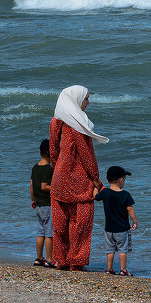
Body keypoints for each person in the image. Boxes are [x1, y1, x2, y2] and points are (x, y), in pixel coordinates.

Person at [48, 85, 107, 272]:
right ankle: (76, 261)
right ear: (76, 99)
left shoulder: (55, 121)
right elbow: (86, 154)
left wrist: (58, 168)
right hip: (79, 181)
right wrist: (96, 178)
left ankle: (62, 260)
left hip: (59, 178)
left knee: (59, 223)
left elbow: (53, 151)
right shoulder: (78, 124)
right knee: (80, 223)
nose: (88, 103)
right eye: (86, 98)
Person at [94, 165, 137, 276]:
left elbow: (95, 197)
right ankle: (123, 270)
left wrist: (96, 187)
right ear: (121, 180)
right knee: (122, 250)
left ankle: (109, 269)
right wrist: (135, 221)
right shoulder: (125, 195)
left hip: (109, 229)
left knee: (110, 250)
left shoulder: (105, 193)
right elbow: (130, 209)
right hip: (122, 229)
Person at [30, 138, 55, 267]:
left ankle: (39, 257)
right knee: (49, 234)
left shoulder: (35, 167)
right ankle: (49, 259)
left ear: (40, 152)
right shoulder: (48, 169)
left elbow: (32, 185)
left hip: (38, 204)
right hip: (47, 204)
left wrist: (33, 200)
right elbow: (44, 186)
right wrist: (56, 188)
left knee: (40, 232)